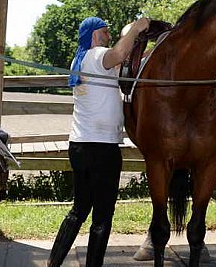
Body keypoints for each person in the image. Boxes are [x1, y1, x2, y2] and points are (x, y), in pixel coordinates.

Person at [48, 16, 150, 267]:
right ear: (95, 35)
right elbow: (118, 53)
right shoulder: (96, 56)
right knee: (103, 216)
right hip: (102, 147)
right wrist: (137, 28)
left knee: (79, 209)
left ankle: (54, 263)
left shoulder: (81, 60)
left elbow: (125, 61)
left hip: (80, 144)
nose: (108, 35)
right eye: (105, 31)